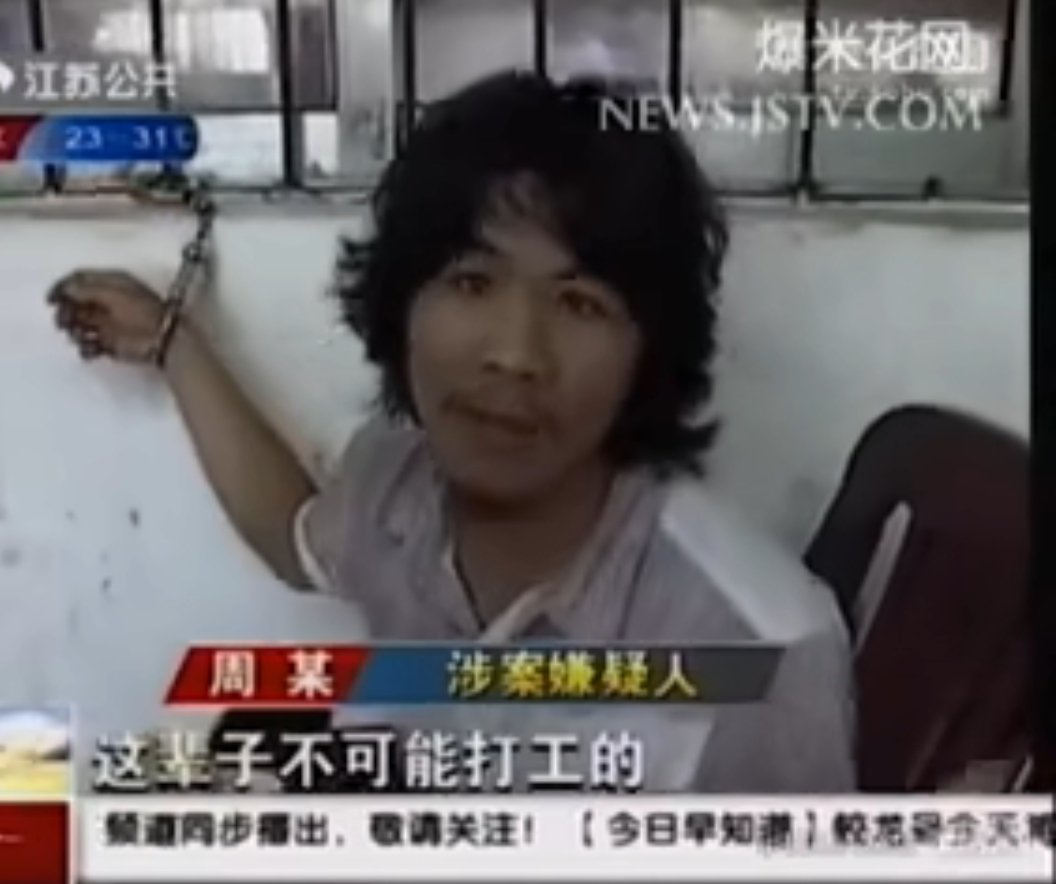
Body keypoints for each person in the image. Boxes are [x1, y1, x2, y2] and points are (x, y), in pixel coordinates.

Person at [48, 71, 854, 791]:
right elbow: (297, 539)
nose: (515, 354)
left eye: (580, 304)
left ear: (650, 354)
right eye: (472, 282)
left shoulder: (758, 651)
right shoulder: (401, 481)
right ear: (403, 307)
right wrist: (175, 345)